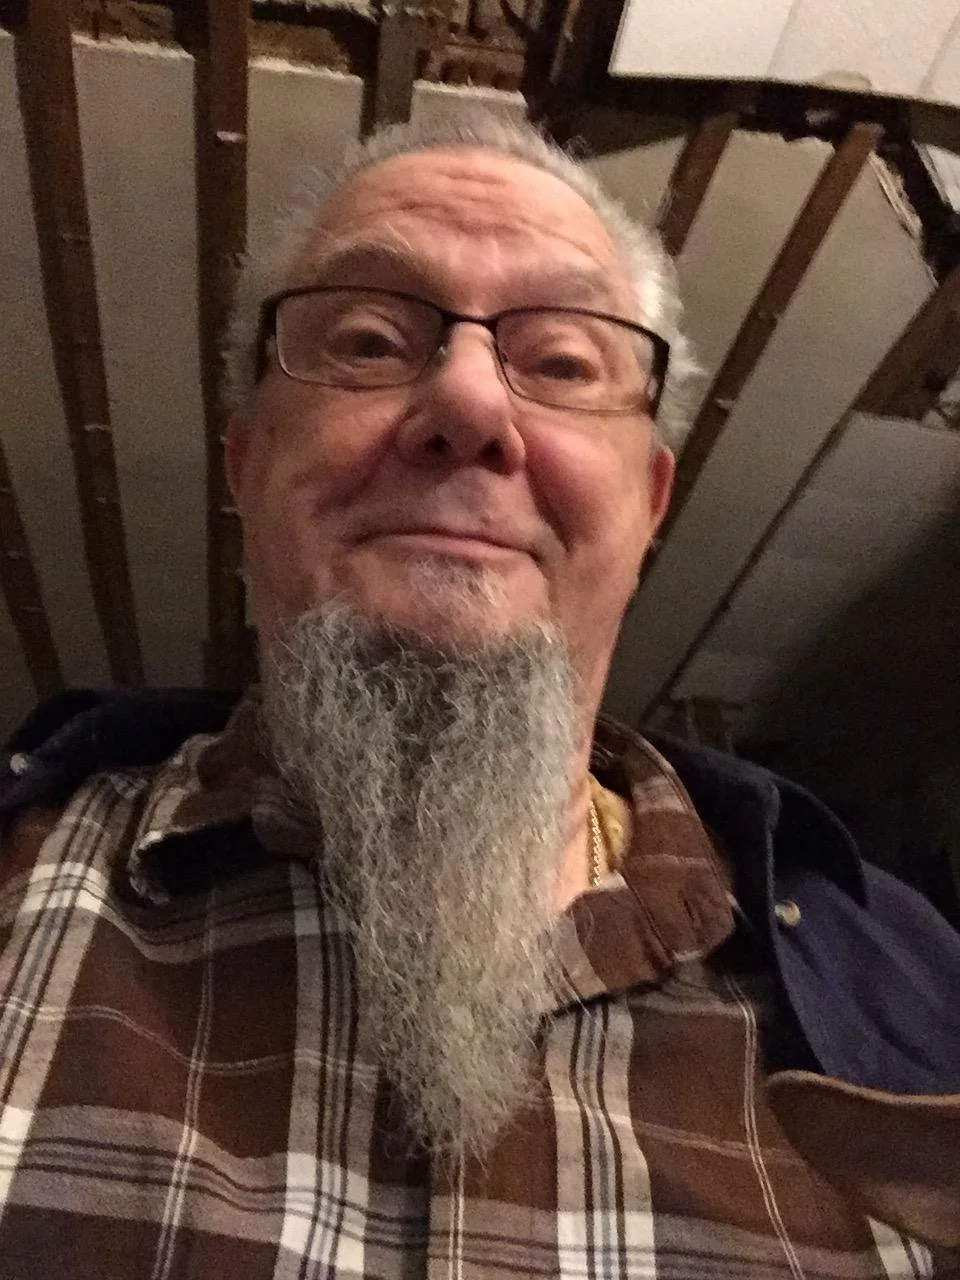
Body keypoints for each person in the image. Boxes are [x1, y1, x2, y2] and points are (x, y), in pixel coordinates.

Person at [0, 112, 957, 1278]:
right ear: (246, 464)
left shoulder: (922, 991)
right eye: (365, 339)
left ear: (649, 504)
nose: (469, 403)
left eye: (561, 361)